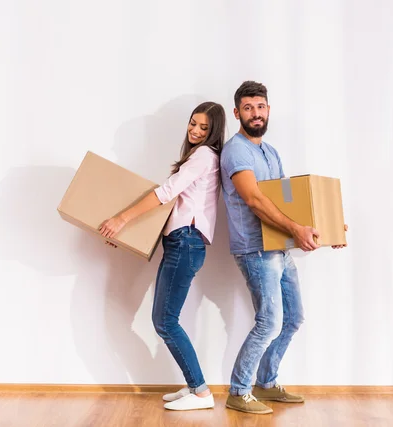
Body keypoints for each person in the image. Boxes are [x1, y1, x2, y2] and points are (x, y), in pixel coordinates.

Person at [220, 81, 348, 414]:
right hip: (255, 250)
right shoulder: (236, 150)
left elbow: (286, 202)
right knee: (269, 322)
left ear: (268, 110)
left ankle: (266, 382)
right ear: (237, 113)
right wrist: (295, 229)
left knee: (293, 318)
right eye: (248, 108)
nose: (255, 113)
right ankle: (239, 390)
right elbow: (255, 200)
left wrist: (328, 229)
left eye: (260, 106)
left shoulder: (270, 152)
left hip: (278, 249)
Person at [98, 101, 226, 411]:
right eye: (192, 123)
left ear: (214, 132)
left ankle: (201, 392)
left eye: (203, 127)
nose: (195, 130)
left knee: (165, 321)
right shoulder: (199, 158)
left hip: (186, 243)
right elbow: (171, 211)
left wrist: (121, 220)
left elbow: (165, 194)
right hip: (180, 242)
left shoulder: (204, 156)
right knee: (165, 319)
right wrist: (125, 233)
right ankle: (194, 386)